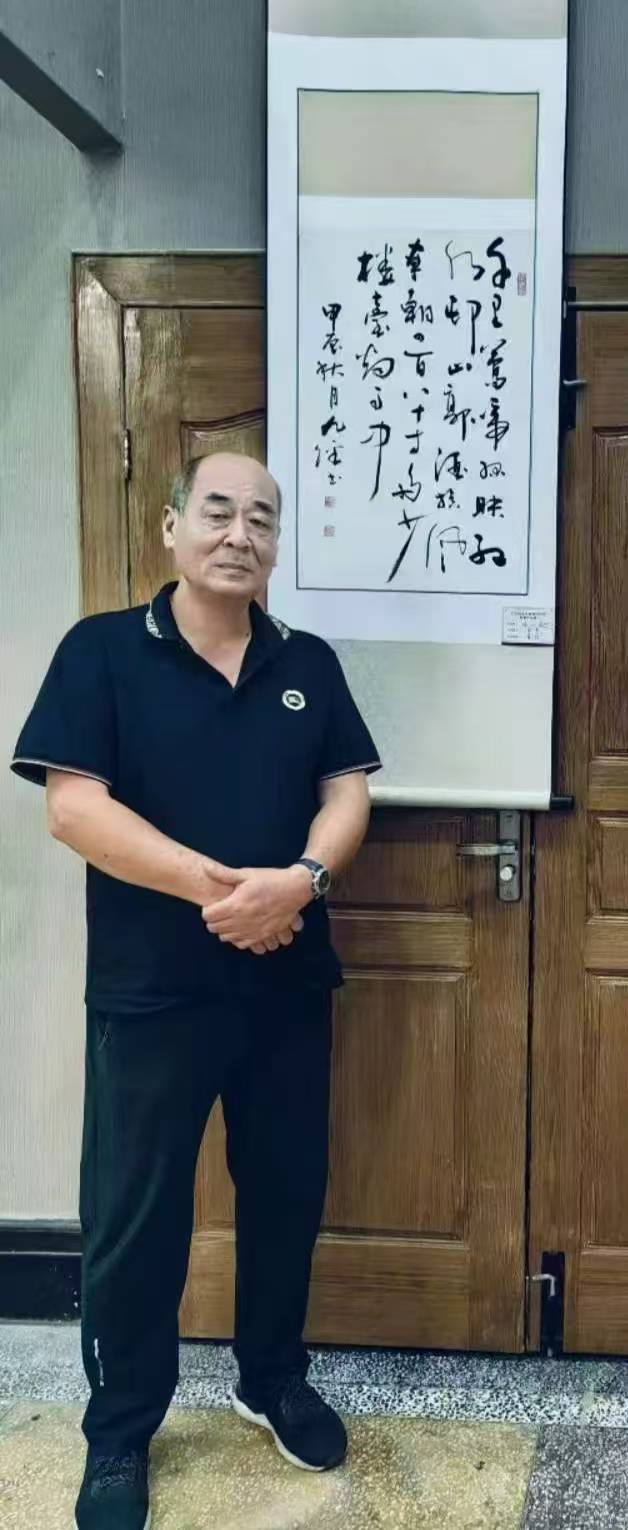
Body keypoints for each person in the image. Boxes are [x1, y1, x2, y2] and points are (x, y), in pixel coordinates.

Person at [11, 452, 382, 1530]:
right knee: (136, 1216)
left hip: (286, 984)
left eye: (261, 519)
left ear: (276, 546)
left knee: (285, 1194)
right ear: (172, 527)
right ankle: (122, 1428)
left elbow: (346, 794)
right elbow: (74, 809)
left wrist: (300, 883)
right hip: (152, 991)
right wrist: (223, 892)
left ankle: (272, 1379)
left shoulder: (307, 661)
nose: (239, 534)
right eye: (217, 511)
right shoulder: (101, 651)